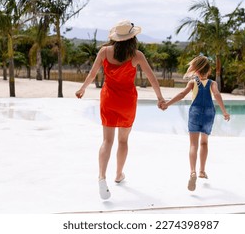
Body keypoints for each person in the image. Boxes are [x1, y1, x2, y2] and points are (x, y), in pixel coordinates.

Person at [75, 20, 165, 200]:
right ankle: (118, 174)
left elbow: (92, 73)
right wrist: (160, 98)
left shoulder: (104, 51)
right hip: (127, 102)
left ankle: (101, 177)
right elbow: (152, 78)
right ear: (132, 38)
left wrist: (83, 88)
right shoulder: (137, 55)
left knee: (107, 141)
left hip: (108, 99)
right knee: (123, 141)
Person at [160, 55, 230, 191]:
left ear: (196, 71)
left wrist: (167, 104)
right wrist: (225, 111)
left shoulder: (193, 82)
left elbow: (181, 95)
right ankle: (202, 171)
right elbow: (217, 95)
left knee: (193, 144)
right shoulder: (212, 83)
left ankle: (193, 172)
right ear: (209, 71)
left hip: (195, 113)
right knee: (204, 142)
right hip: (209, 113)